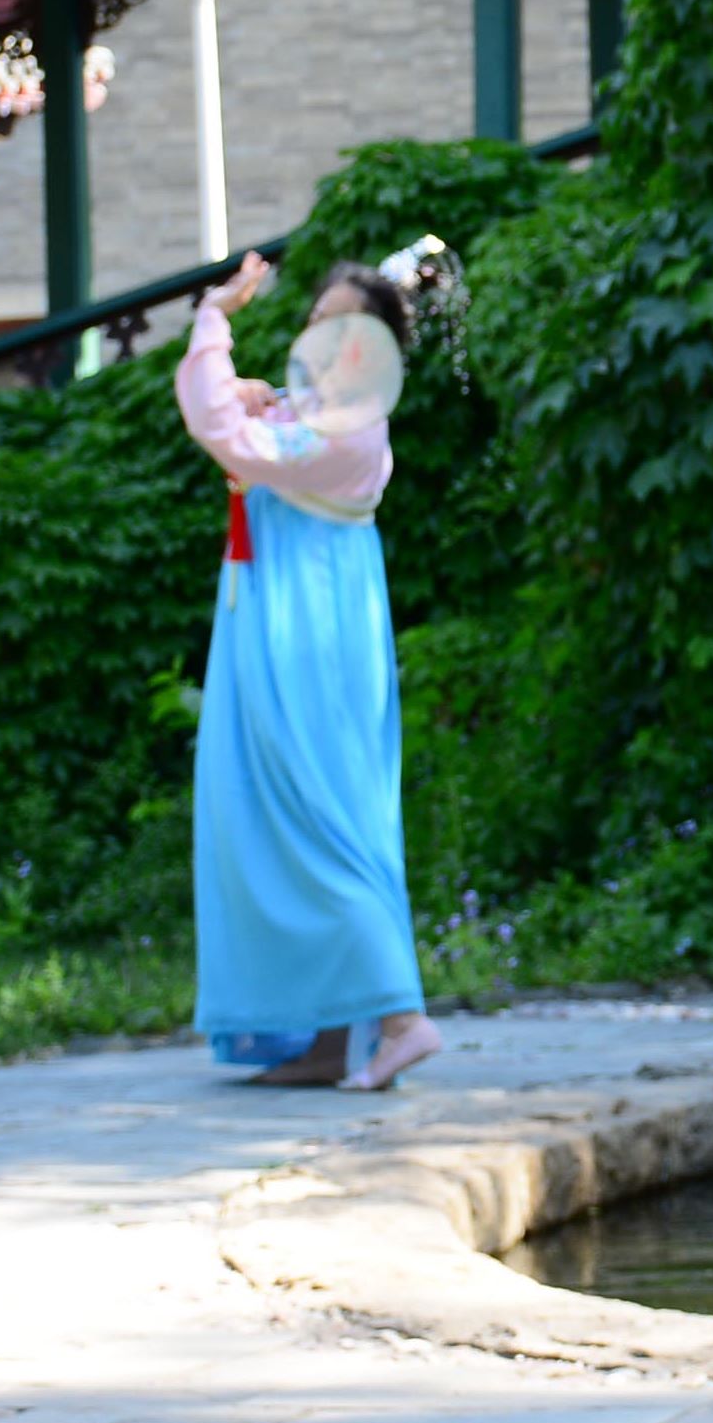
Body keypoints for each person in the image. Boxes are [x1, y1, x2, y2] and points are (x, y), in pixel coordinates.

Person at [178, 251, 442, 1093]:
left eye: (342, 323)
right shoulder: (327, 415)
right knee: (278, 810)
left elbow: (230, 432)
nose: (321, 332)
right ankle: (329, 1040)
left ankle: (400, 1018)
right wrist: (258, 387)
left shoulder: (348, 425)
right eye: (317, 317)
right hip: (284, 618)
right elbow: (259, 422)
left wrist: (213, 321)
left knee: (316, 815)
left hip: (309, 632)